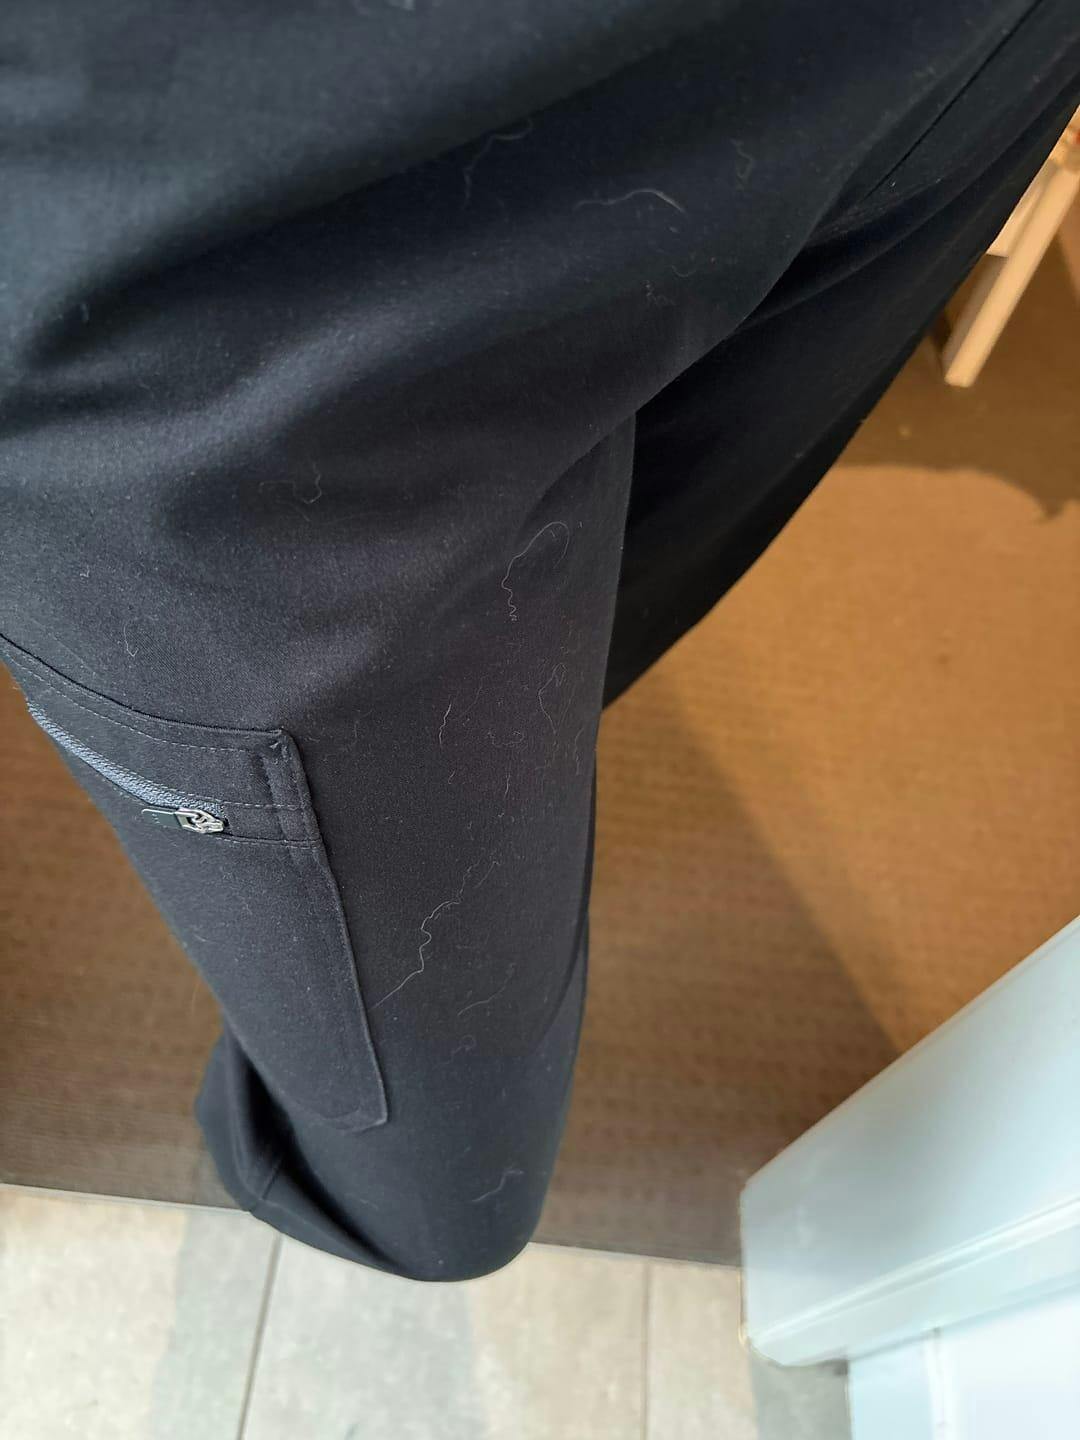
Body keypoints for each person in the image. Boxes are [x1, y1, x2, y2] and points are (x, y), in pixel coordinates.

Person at [3, 0, 1077, 1280]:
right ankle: (302, 1178)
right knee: (438, 1192)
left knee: (613, 614)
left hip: (909, 50)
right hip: (226, 239)